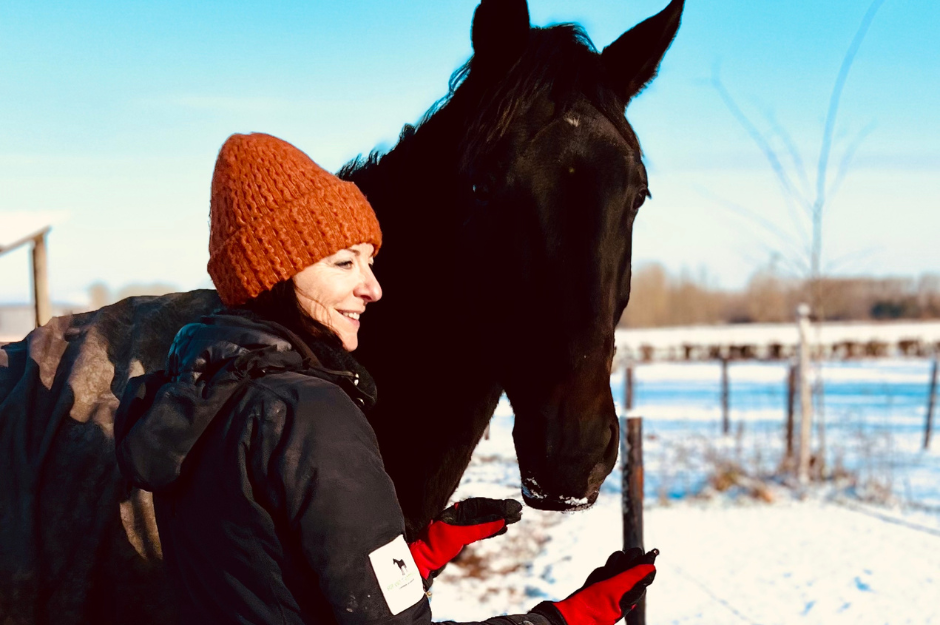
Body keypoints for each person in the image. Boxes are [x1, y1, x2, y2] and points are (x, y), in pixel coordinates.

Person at [114, 132, 657, 625]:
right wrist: (565, 619)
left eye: (370, 262)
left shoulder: (194, 398)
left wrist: (412, 556)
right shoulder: (309, 415)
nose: (372, 288)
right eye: (344, 264)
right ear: (277, 273)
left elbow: (272, 584)